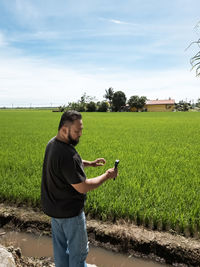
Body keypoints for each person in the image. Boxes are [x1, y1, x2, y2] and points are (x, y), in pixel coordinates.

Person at [41, 110, 118, 267]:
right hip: (71, 215)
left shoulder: (52, 144)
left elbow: (66, 165)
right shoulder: (68, 154)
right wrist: (106, 175)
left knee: (61, 251)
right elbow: (83, 187)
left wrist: (89, 163)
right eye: (77, 131)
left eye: (81, 130)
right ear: (64, 130)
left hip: (55, 212)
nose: (80, 134)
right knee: (78, 254)